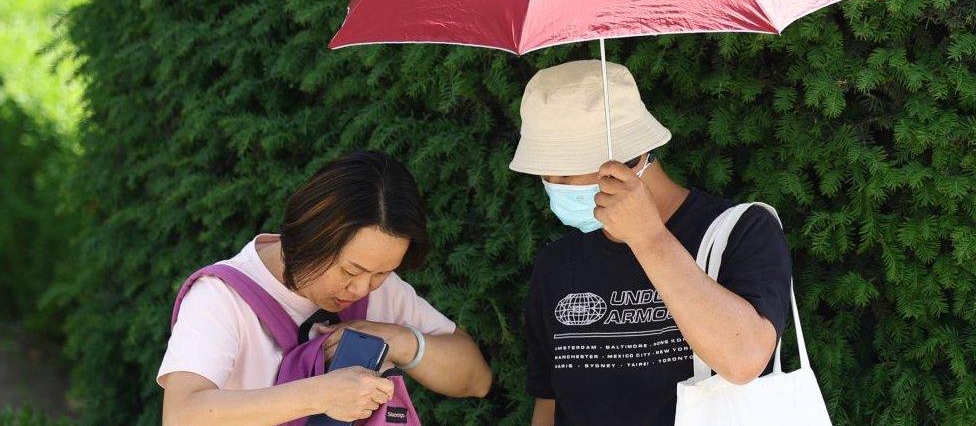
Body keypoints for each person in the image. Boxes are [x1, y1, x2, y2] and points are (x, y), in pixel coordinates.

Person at [511, 60, 792, 425]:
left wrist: (649, 238)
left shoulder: (740, 231)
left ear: (633, 157)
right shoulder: (558, 263)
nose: (554, 185)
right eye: (545, 172)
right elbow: (549, 401)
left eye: (565, 169)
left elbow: (745, 359)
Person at [158, 150, 492, 425]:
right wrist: (322, 394)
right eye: (351, 270)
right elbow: (181, 414)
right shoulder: (220, 298)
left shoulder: (379, 289)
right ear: (311, 235)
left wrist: (400, 341)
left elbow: (476, 379)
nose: (362, 288)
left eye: (382, 273)